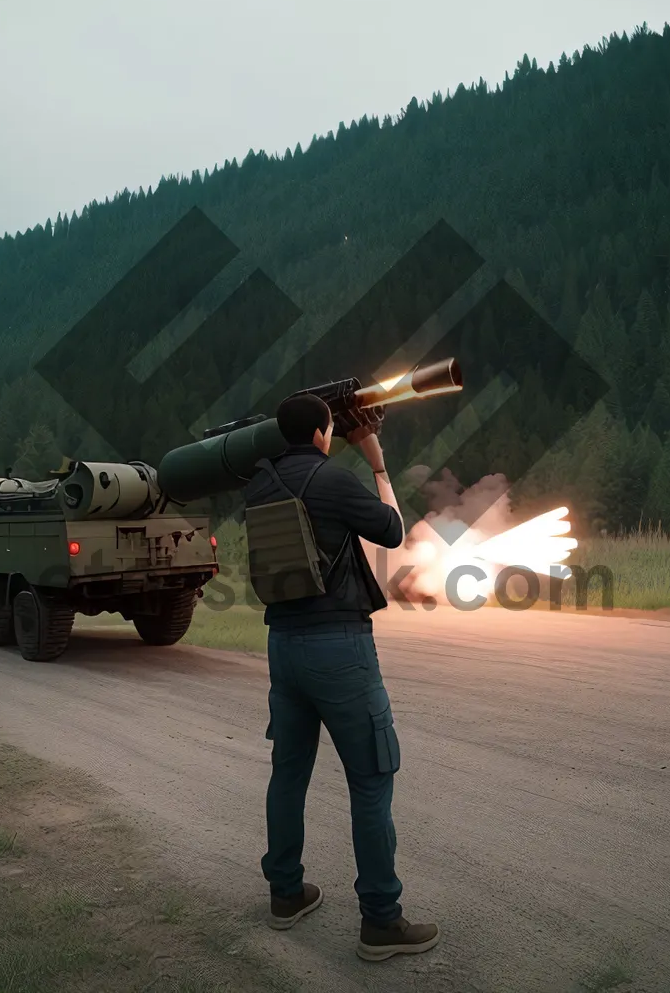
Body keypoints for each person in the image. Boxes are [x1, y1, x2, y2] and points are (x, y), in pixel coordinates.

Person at [243, 391, 440, 962]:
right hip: (341, 650)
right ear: (324, 434)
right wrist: (376, 462)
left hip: (284, 646)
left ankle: (285, 894)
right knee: (372, 781)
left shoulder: (258, 484)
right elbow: (392, 530)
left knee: (289, 774)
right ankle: (381, 921)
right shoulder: (334, 480)